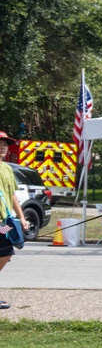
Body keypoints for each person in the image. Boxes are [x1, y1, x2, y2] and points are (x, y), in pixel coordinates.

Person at [0, 132, 30, 313]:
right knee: (6, 250)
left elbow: (12, 194)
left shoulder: (7, 169)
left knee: (7, 251)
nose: (3, 147)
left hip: (4, 221)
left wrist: (22, 216)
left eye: (5, 144)